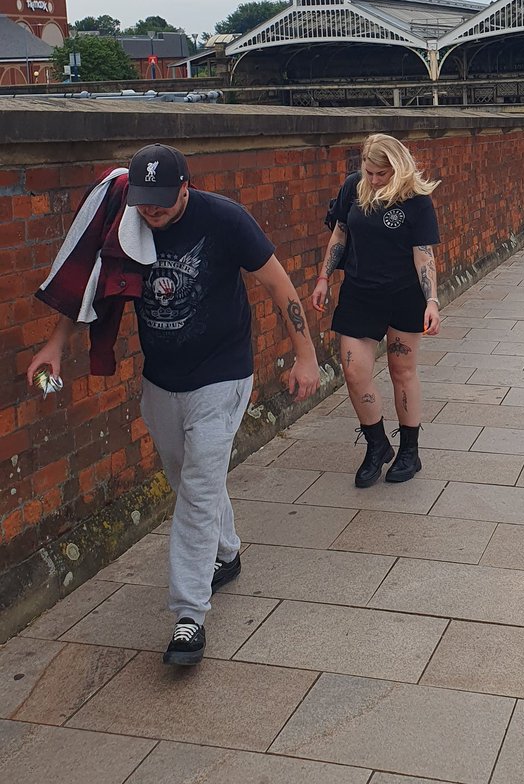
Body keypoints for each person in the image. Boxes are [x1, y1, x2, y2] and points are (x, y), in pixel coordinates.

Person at [27, 144, 320, 668]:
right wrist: (55, 343)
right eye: (145, 200)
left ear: (186, 186)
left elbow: (277, 284)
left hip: (222, 374)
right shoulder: (126, 221)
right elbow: (89, 280)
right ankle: (226, 553)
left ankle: (189, 616)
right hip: (161, 380)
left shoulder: (225, 220)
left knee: (198, 490)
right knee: (187, 475)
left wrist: (305, 355)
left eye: (163, 200)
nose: (153, 210)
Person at [312, 134, 441, 488]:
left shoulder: (416, 199)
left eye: (381, 174)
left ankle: (410, 451)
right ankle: (376, 444)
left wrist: (432, 301)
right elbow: (339, 234)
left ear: (397, 170)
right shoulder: (354, 187)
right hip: (359, 292)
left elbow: (423, 252)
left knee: (402, 372)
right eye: (369, 172)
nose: (374, 180)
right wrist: (323, 277)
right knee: (354, 372)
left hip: (403, 295)